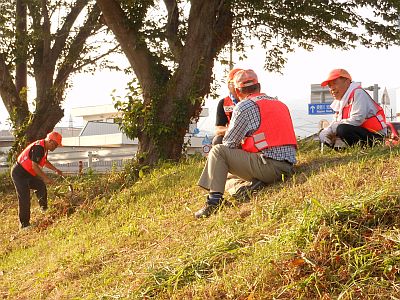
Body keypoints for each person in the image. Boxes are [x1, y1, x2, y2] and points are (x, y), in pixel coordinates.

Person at [194, 69, 297, 218]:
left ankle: (214, 202)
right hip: (287, 166)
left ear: (237, 91)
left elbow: (229, 142)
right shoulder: (280, 103)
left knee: (218, 152)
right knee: (224, 175)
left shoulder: (244, 106)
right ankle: (248, 187)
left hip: (268, 165)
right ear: (259, 86)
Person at [319, 69, 387, 149]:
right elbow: (336, 123)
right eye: (329, 86)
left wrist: (332, 128)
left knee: (342, 129)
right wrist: (327, 131)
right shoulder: (340, 102)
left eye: (334, 83)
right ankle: (344, 148)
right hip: (360, 133)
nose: (332, 88)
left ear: (347, 82)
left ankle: (362, 148)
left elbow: (357, 120)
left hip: (375, 136)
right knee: (323, 132)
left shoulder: (358, 93)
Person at [11, 131, 64, 229]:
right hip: (19, 173)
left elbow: (44, 161)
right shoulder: (39, 147)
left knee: (40, 186)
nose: (55, 147)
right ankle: (24, 225)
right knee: (24, 198)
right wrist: (46, 178)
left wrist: (56, 170)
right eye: (56, 145)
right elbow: (35, 166)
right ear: (50, 141)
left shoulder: (44, 148)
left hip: (28, 173)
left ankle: (44, 209)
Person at [212, 68, 242, 145]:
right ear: (229, 85)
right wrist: (233, 131)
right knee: (217, 140)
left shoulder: (254, 101)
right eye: (234, 83)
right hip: (232, 138)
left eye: (241, 82)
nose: (238, 86)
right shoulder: (223, 103)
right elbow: (218, 128)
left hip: (252, 137)